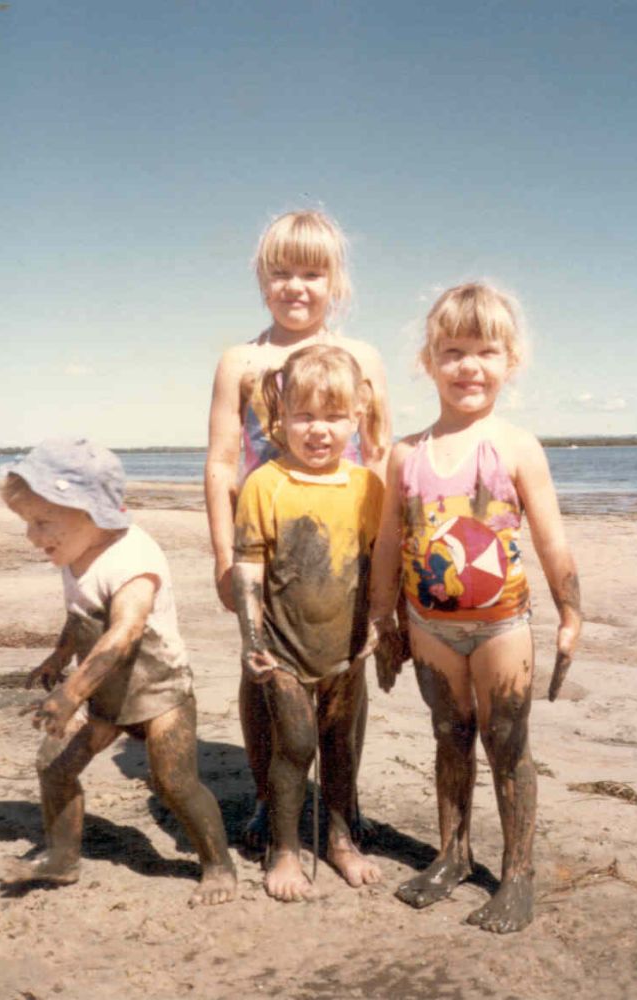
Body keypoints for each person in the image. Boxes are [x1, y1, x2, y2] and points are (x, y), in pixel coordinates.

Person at [365, 283, 582, 933]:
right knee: (447, 735)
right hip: (428, 627)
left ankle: (516, 875)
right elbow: (387, 543)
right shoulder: (405, 453)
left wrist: (571, 615)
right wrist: (383, 621)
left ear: (509, 361)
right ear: (427, 362)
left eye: (485, 350)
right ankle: (451, 855)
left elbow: (550, 539)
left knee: (506, 741)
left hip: (502, 628)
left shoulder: (515, 447)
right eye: (452, 350)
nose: (469, 366)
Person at [205, 209, 390, 849]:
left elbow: (381, 453)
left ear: (333, 282)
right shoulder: (242, 360)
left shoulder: (360, 356)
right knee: (262, 672)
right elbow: (222, 462)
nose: (296, 287)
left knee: (348, 671)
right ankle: (264, 795)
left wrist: (387, 559)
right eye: (281, 272)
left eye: (311, 273)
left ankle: (345, 796)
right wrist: (223, 557)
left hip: (345, 544)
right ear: (263, 279)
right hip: (265, 542)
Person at [1, 438, 236, 906]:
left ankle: (218, 865)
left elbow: (124, 633)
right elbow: (82, 613)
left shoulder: (132, 559)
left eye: (43, 522)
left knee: (174, 782)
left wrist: (70, 693)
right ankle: (62, 858)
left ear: (90, 513)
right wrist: (57, 656)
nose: (33, 536)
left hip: (158, 693)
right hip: (107, 697)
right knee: (54, 767)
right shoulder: (72, 550)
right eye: (27, 523)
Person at [232, 344, 385, 901]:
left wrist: (378, 622)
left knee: (341, 744)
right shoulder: (264, 484)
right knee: (295, 745)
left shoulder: (367, 486)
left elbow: (374, 563)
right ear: (280, 418)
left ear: (356, 417)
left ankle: (342, 840)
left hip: (345, 647)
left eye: (333, 416)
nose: (319, 430)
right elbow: (248, 567)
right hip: (283, 648)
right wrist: (251, 639)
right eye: (304, 416)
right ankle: (285, 849)